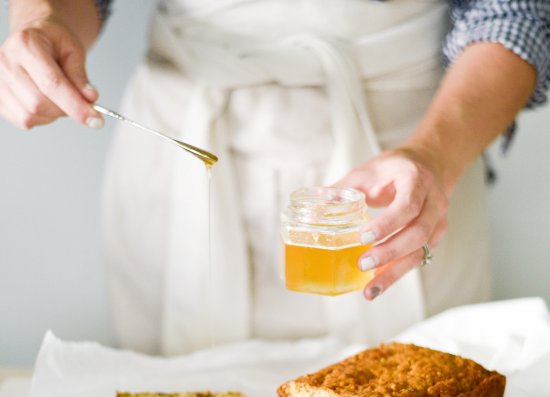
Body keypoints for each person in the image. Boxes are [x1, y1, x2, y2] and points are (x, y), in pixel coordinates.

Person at [1, 0, 548, 356]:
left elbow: (519, 15)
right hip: (185, 147)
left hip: (408, 161)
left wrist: (432, 154)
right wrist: (41, 24)